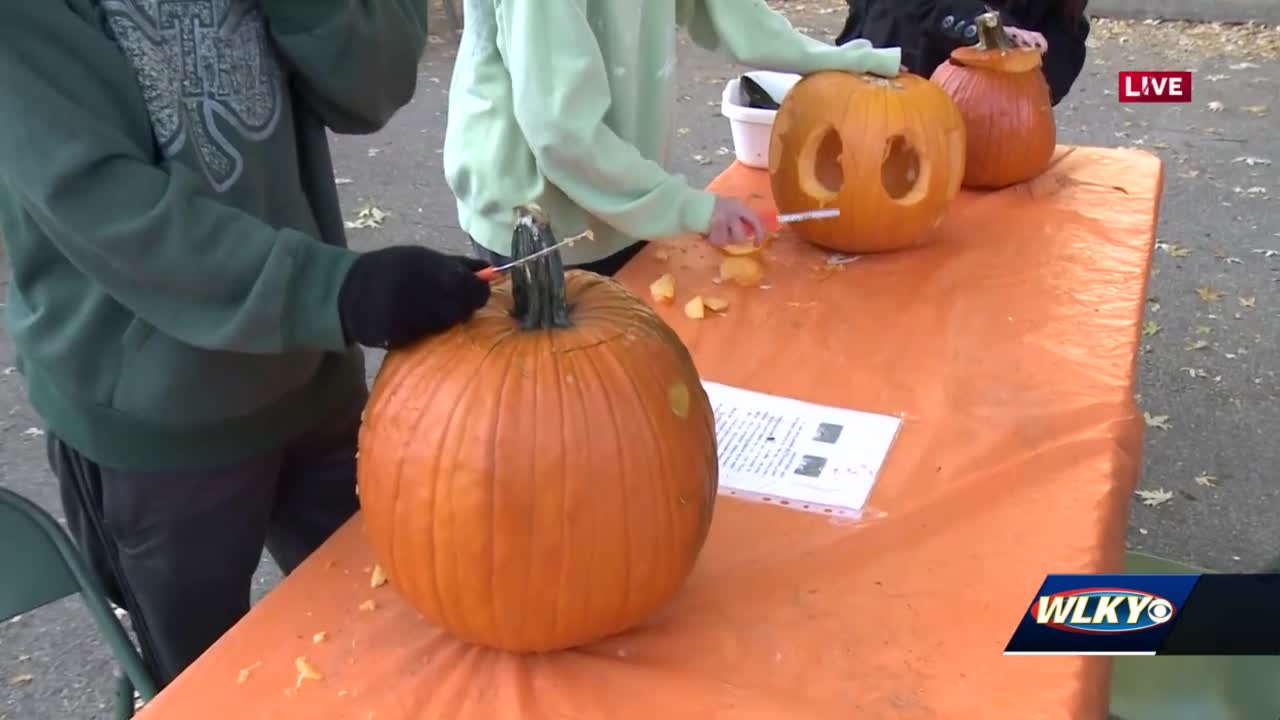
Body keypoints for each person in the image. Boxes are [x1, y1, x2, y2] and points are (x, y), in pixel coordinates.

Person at [0, 1, 491, 686]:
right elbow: (104, 206)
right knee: (210, 684)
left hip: (311, 376)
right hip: (156, 423)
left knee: (399, 642)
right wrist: (335, 293)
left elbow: (372, 86)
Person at [443, 0, 904, 276]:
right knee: (564, 406)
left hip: (621, 193)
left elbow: (736, 18)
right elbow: (561, 130)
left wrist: (837, 61)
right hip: (538, 219)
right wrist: (688, 207)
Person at [834, 1, 1090, 106]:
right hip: (894, 85)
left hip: (985, 133)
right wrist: (986, 26)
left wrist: (1027, 60)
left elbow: (1064, 43)